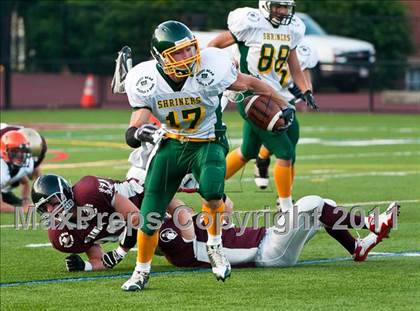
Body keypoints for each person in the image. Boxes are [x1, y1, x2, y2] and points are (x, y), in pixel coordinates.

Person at [120, 20, 295, 291]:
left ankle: (215, 246)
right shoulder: (146, 80)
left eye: (189, 50)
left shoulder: (211, 66)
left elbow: (251, 83)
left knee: (213, 192)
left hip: (209, 141)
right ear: (161, 58)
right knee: (150, 215)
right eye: (177, 53)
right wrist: (138, 134)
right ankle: (141, 271)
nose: (187, 57)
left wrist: (283, 106)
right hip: (172, 143)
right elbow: (134, 126)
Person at [208, 0, 318, 213]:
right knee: (284, 151)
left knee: (251, 150)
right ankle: (286, 207)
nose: (282, 11)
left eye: (286, 7)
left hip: (275, 93)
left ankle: (208, 183)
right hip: (251, 94)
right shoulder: (251, 24)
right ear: (265, 5)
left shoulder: (292, 28)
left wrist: (305, 90)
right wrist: (224, 65)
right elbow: (214, 45)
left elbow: (294, 64)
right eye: (278, 6)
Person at [158, 195, 400, 268]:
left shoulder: (183, 225)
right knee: (312, 203)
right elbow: (184, 220)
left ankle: (357, 247)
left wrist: (208, 189)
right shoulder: (173, 241)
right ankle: (373, 222)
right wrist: (165, 195)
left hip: (269, 239)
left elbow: (227, 206)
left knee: (324, 205)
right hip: (267, 253)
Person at [254, 38, 319, 189]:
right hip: (268, 97)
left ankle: (262, 158)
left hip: (289, 100)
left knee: (288, 147)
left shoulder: (304, 45)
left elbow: (304, 70)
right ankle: (283, 200)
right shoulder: (268, 36)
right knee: (284, 149)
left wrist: (307, 91)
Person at [1, 130, 33, 213]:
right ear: (5, 152)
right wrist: (22, 210)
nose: (19, 155)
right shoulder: (2, 170)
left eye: (22, 151)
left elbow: (25, 182)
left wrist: (25, 200)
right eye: (15, 151)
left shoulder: (18, 166)